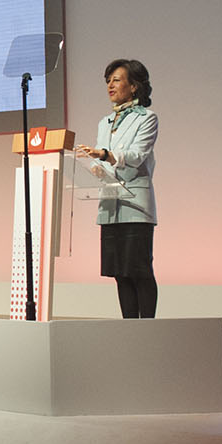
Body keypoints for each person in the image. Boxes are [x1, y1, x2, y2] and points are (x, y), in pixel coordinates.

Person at [74, 59, 160, 319]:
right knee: (120, 273)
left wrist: (104, 155)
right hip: (110, 205)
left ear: (134, 86)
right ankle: (129, 327)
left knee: (139, 270)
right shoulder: (105, 122)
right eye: (108, 81)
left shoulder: (147, 118)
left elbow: (137, 155)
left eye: (117, 80)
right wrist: (93, 166)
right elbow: (103, 161)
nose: (110, 85)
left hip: (135, 205)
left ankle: (148, 328)